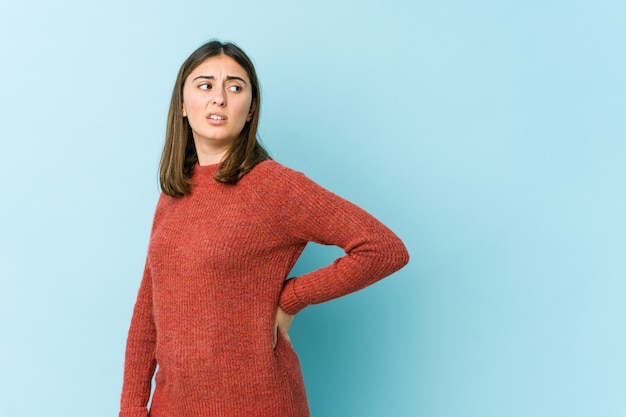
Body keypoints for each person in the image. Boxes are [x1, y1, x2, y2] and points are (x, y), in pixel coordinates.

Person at [118, 39, 409, 417]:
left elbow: (384, 249)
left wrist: (292, 298)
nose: (218, 98)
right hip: (172, 407)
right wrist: (132, 408)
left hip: (259, 404)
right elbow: (147, 310)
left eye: (234, 87)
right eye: (205, 85)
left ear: (250, 107)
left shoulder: (271, 186)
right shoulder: (175, 192)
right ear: (182, 105)